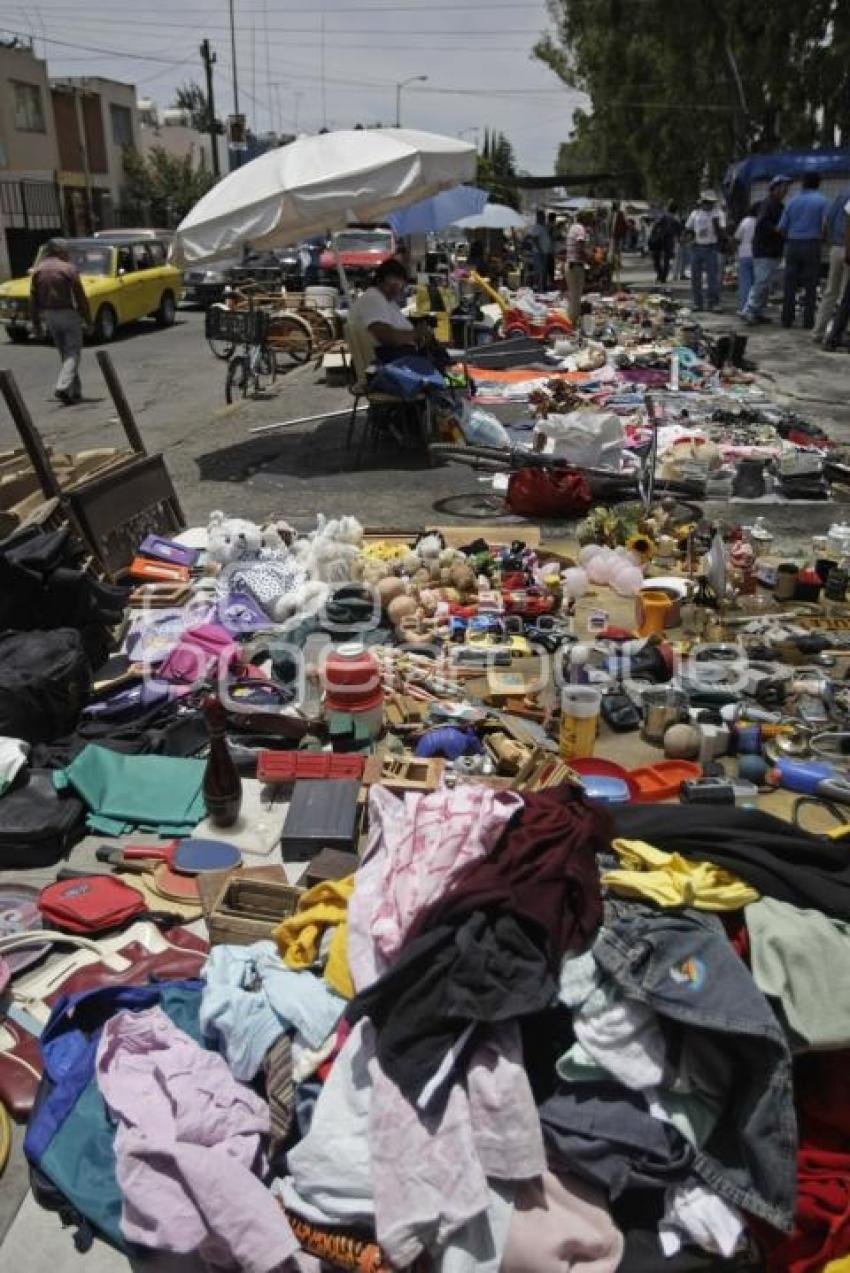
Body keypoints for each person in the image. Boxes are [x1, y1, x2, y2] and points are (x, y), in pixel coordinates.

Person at [350, 257, 448, 370]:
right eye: (392, 282)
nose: (396, 287)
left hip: (399, 358)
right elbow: (387, 337)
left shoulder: (386, 300)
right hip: (392, 361)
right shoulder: (373, 298)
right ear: (380, 280)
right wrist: (416, 333)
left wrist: (418, 334)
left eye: (399, 283)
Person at [29, 237, 92, 404]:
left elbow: (33, 300)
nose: (68, 254)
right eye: (66, 251)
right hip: (68, 313)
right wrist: (88, 320)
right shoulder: (68, 269)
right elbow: (80, 297)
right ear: (59, 251)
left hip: (49, 315)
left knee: (65, 353)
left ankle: (74, 391)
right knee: (73, 352)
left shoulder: (38, 270)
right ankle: (63, 387)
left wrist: (36, 324)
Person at [779, 171, 829, 328]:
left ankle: (787, 319)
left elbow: (781, 227)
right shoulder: (822, 201)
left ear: (803, 183)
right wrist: (823, 238)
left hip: (793, 244)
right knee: (811, 284)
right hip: (812, 244)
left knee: (790, 284)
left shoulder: (792, 201)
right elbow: (826, 224)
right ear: (818, 184)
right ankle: (808, 321)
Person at [741, 174, 790, 325]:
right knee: (761, 281)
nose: (785, 190)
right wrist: (776, 230)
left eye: (786, 188)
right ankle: (749, 310)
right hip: (764, 249)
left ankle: (758, 311)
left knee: (766, 283)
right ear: (774, 188)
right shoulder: (767, 204)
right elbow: (762, 223)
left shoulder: (780, 206)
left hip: (773, 249)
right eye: (783, 187)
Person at [813, 185, 850, 343]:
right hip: (848, 247)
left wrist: (829, 241)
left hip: (836, 247)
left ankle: (818, 331)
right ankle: (841, 333)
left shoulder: (841, 194)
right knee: (845, 294)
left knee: (830, 292)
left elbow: (827, 220)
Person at [685, 190, 726, 312]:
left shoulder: (718, 213)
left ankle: (713, 303)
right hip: (697, 247)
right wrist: (688, 239)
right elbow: (688, 229)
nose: (709, 205)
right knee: (695, 277)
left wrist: (716, 224)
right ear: (702, 202)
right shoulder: (695, 214)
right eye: (706, 202)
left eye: (711, 203)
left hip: (711, 248)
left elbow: (722, 232)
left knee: (712, 277)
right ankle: (697, 303)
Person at [823, 195, 850, 352]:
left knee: (842, 297)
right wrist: (847, 248)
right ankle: (833, 337)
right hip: (843, 248)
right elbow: (848, 224)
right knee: (845, 298)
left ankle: (832, 337)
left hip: (839, 247)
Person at [565, 209, 594, 329]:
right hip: (575, 266)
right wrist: (591, 259)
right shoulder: (580, 229)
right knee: (576, 298)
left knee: (573, 297)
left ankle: (570, 323)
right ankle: (571, 325)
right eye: (590, 217)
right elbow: (581, 247)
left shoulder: (573, 227)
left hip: (571, 265)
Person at [734, 204, 759, 316]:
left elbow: (737, 238)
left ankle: (744, 306)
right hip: (758, 255)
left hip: (744, 254)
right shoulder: (760, 222)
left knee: (745, 283)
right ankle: (754, 308)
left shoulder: (745, 222)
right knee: (756, 284)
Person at [648, 202, 680, 283]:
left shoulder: (667, 218)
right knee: (663, 259)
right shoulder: (672, 219)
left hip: (663, 240)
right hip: (664, 240)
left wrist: (652, 237)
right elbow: (678, 231)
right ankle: (662, 275)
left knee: (660, 259)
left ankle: (661, 275)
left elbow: (655, 227)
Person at [528, 210, 552, 292]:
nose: (544, 218)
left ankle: (542, 288)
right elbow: (535, 239)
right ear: (539, 217)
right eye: (543, 217)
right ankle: (539, 289)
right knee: (540, 271)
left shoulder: (542, 227)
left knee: (543, 271)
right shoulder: (537, 227)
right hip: (539, 253)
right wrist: (540, 250)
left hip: (543, 252)